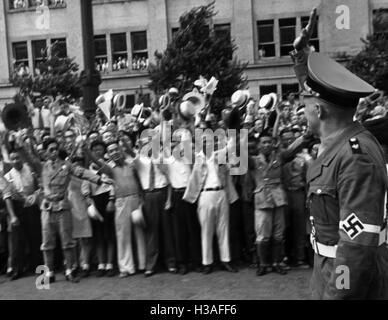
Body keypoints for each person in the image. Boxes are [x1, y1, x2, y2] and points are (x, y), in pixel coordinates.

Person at [304, 52, 388, 299]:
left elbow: (356, 246)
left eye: (305, 106)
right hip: (327, 267)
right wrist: (301, 58)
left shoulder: (355, 156)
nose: (302, 111)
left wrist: (337, 294)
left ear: (318, 111)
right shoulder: (341, 140)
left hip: (344, 276)